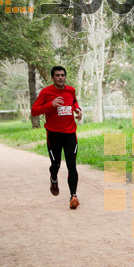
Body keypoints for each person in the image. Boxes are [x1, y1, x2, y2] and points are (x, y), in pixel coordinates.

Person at [31, 66, 82, 209]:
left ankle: (73, 196)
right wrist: (50, 104)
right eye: (57, 75)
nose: (60, 77)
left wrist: (77, 110)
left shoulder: (70, 90)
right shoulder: (46, 92)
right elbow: (34, 111)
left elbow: (73, 102)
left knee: (71, 164)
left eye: (63, 75)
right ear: (52, 78)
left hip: (70, 133)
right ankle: (54, 178)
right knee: (56, 164)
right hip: (53, 134)